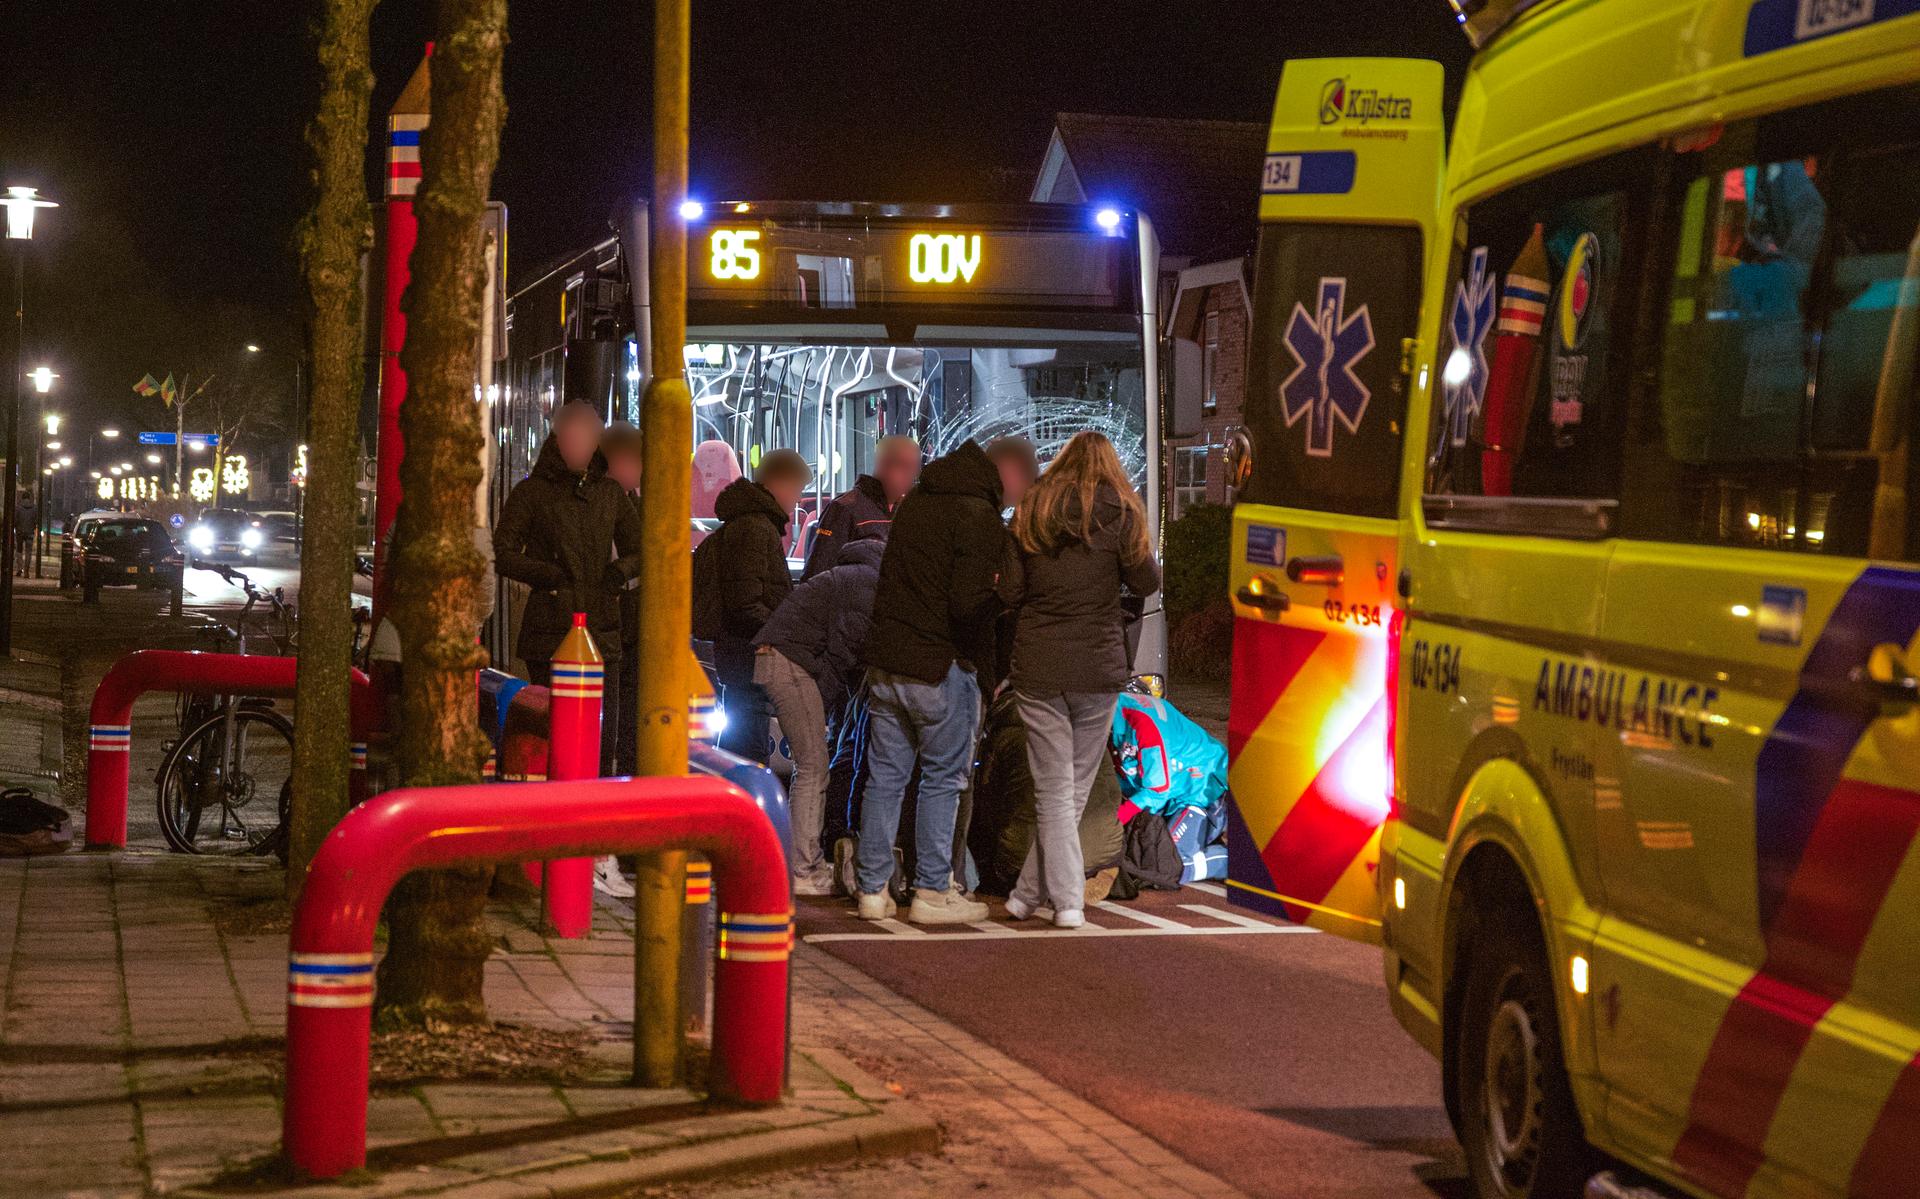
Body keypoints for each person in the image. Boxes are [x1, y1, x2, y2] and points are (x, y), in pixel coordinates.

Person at [852, 438, 1033, 924]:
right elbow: (968, 604)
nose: (1019, 498)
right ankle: (932, 889)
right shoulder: (978, 517)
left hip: (888, 660)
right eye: (1022, 484)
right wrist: (1004, 601)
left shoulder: (916, 503)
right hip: (939, 667)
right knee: (943, 780)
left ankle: (872, 888)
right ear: (1007, 474)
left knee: (885, 779)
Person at [997, 431, 1160, 929]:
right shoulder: (1122, 515)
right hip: (1098, 668)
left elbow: (1012, 592)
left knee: (1056, 792)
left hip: (1040, 666)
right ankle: (1067, 902)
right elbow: (1148, 582)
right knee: (1070, 790)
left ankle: (1026, 897)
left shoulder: (1032, 511)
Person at [493, 400, 643, 774]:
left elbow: (639, 549)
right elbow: (504, 552)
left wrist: (616, 574)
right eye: (570, 436)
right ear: (558, 439)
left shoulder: (610, 494)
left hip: (602, 627)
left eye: (586, 437)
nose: (577, 445)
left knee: (601, 733)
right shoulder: (532, 493)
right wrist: (551, 577)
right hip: (551, 628)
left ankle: (597, 805)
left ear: (596, 443)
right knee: (556, 734)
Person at [752, 535, 884, 894]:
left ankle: (802, 861)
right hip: (790, 662)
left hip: (777, 657)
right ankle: (803, 868)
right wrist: (827, 710)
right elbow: (842, 653)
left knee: (810, 764)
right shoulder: (868, 585)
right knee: (813, 765)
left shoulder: (852, 575)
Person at [702, 449, 811, 763]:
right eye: (796, 491)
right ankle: (741, 807)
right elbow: (745, 602)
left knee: (743, 739)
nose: (796, 502)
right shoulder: (756, 528)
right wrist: (782, 632)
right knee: (748, 746)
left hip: (740, 654)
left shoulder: (751, 523)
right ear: (779, 484)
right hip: (747, 654)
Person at [802, 435, 921, 578]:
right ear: (882, 464)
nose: (910, 475)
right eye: (903, 466)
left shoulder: (907, 510)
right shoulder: (844, 509)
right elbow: (817, 574)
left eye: (914, 468)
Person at [12, 492, 34, 576]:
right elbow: (35, 520)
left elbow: (15, 520)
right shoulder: (34, 508)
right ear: (29, 498)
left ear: (22, 498)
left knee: (19, 550)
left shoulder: (18, 508)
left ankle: (19, 569)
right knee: (28, 552)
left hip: (20, 532)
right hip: (30, 532)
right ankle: (26, 572)